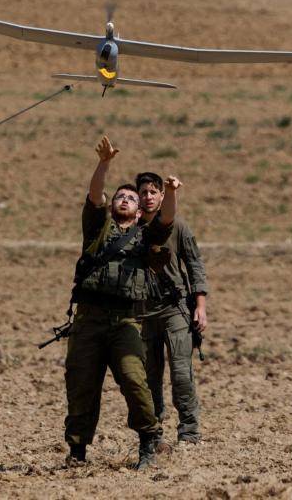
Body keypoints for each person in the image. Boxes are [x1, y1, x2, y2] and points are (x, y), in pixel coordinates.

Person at [65, 137, 182, 470]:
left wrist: (171, 193)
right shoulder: (97, 229)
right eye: (121, 196)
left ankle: (148, 441)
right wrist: (104, 163)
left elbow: (166, 220)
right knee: (81, 384)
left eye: (132, 198)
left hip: (126, 322)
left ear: (140, 207)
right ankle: (77, 451)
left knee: (134, 379)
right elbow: (94, 195)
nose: (127, 200)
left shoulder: (147, 236)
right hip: (88, 321)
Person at [135, 171, 208, 446]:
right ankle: (153, 434)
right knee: (148, 378)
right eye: (144, 192)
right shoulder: (131, 228)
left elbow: (195, 265)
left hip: (175, 309)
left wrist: (200, 305)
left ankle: (189, 432)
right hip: (143, 313)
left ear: (162, 196)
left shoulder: (178, 226)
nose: (149, 196)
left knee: (181, 373)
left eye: (154, 192)